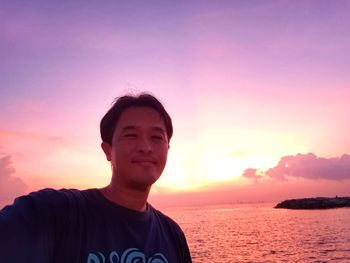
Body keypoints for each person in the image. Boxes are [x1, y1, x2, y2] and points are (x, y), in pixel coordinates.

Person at [0, 93, 192, 263]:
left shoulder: (172, 235)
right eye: (131, 135)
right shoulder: (55, 212)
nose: (145, 147)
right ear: (108, 150)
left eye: (157, 137)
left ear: (167, 149)